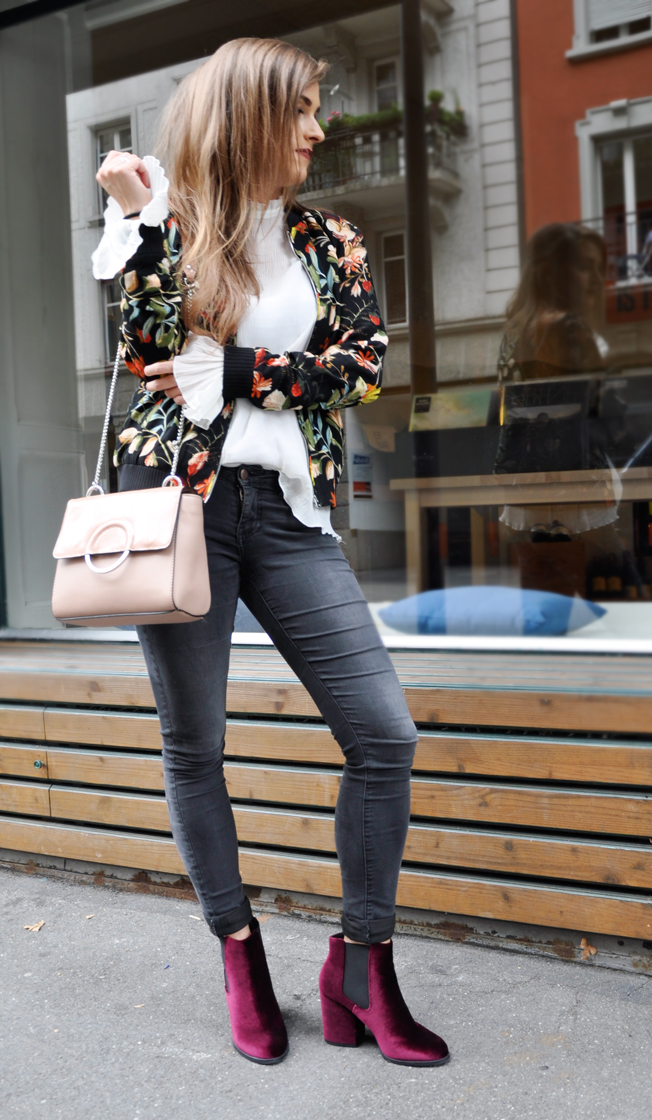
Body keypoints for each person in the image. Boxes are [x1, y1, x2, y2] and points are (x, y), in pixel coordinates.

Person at [93, 37, 448, 1068]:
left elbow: (362, 367)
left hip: (290, 514)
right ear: (249, 114)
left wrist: (236, 368)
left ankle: (360, 964)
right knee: (193, 746)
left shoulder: (328, 238)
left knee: (384, 737)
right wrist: (140, 221)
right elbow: (150, 347)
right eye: (300, 109)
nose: (317, 129)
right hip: (181, 516)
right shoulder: (168, 223)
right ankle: (238, 950)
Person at [497, 222, 608, 384]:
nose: (598, 279)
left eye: (599, 269)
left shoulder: (513, 331)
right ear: (549, 274)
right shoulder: (570, 326)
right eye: (584, 266)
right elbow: (598, 399)